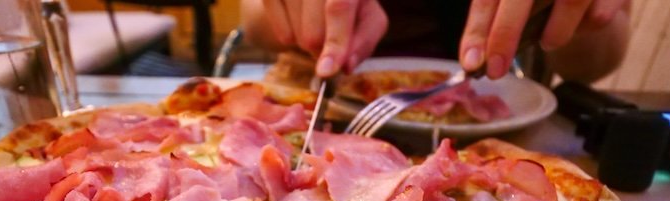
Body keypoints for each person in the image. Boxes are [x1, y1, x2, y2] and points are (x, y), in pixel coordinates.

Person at [240, 0, 630, 84]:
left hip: (494, 111)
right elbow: (254, 25)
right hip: (308, 99)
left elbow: (593, 66)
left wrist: (583, 17)